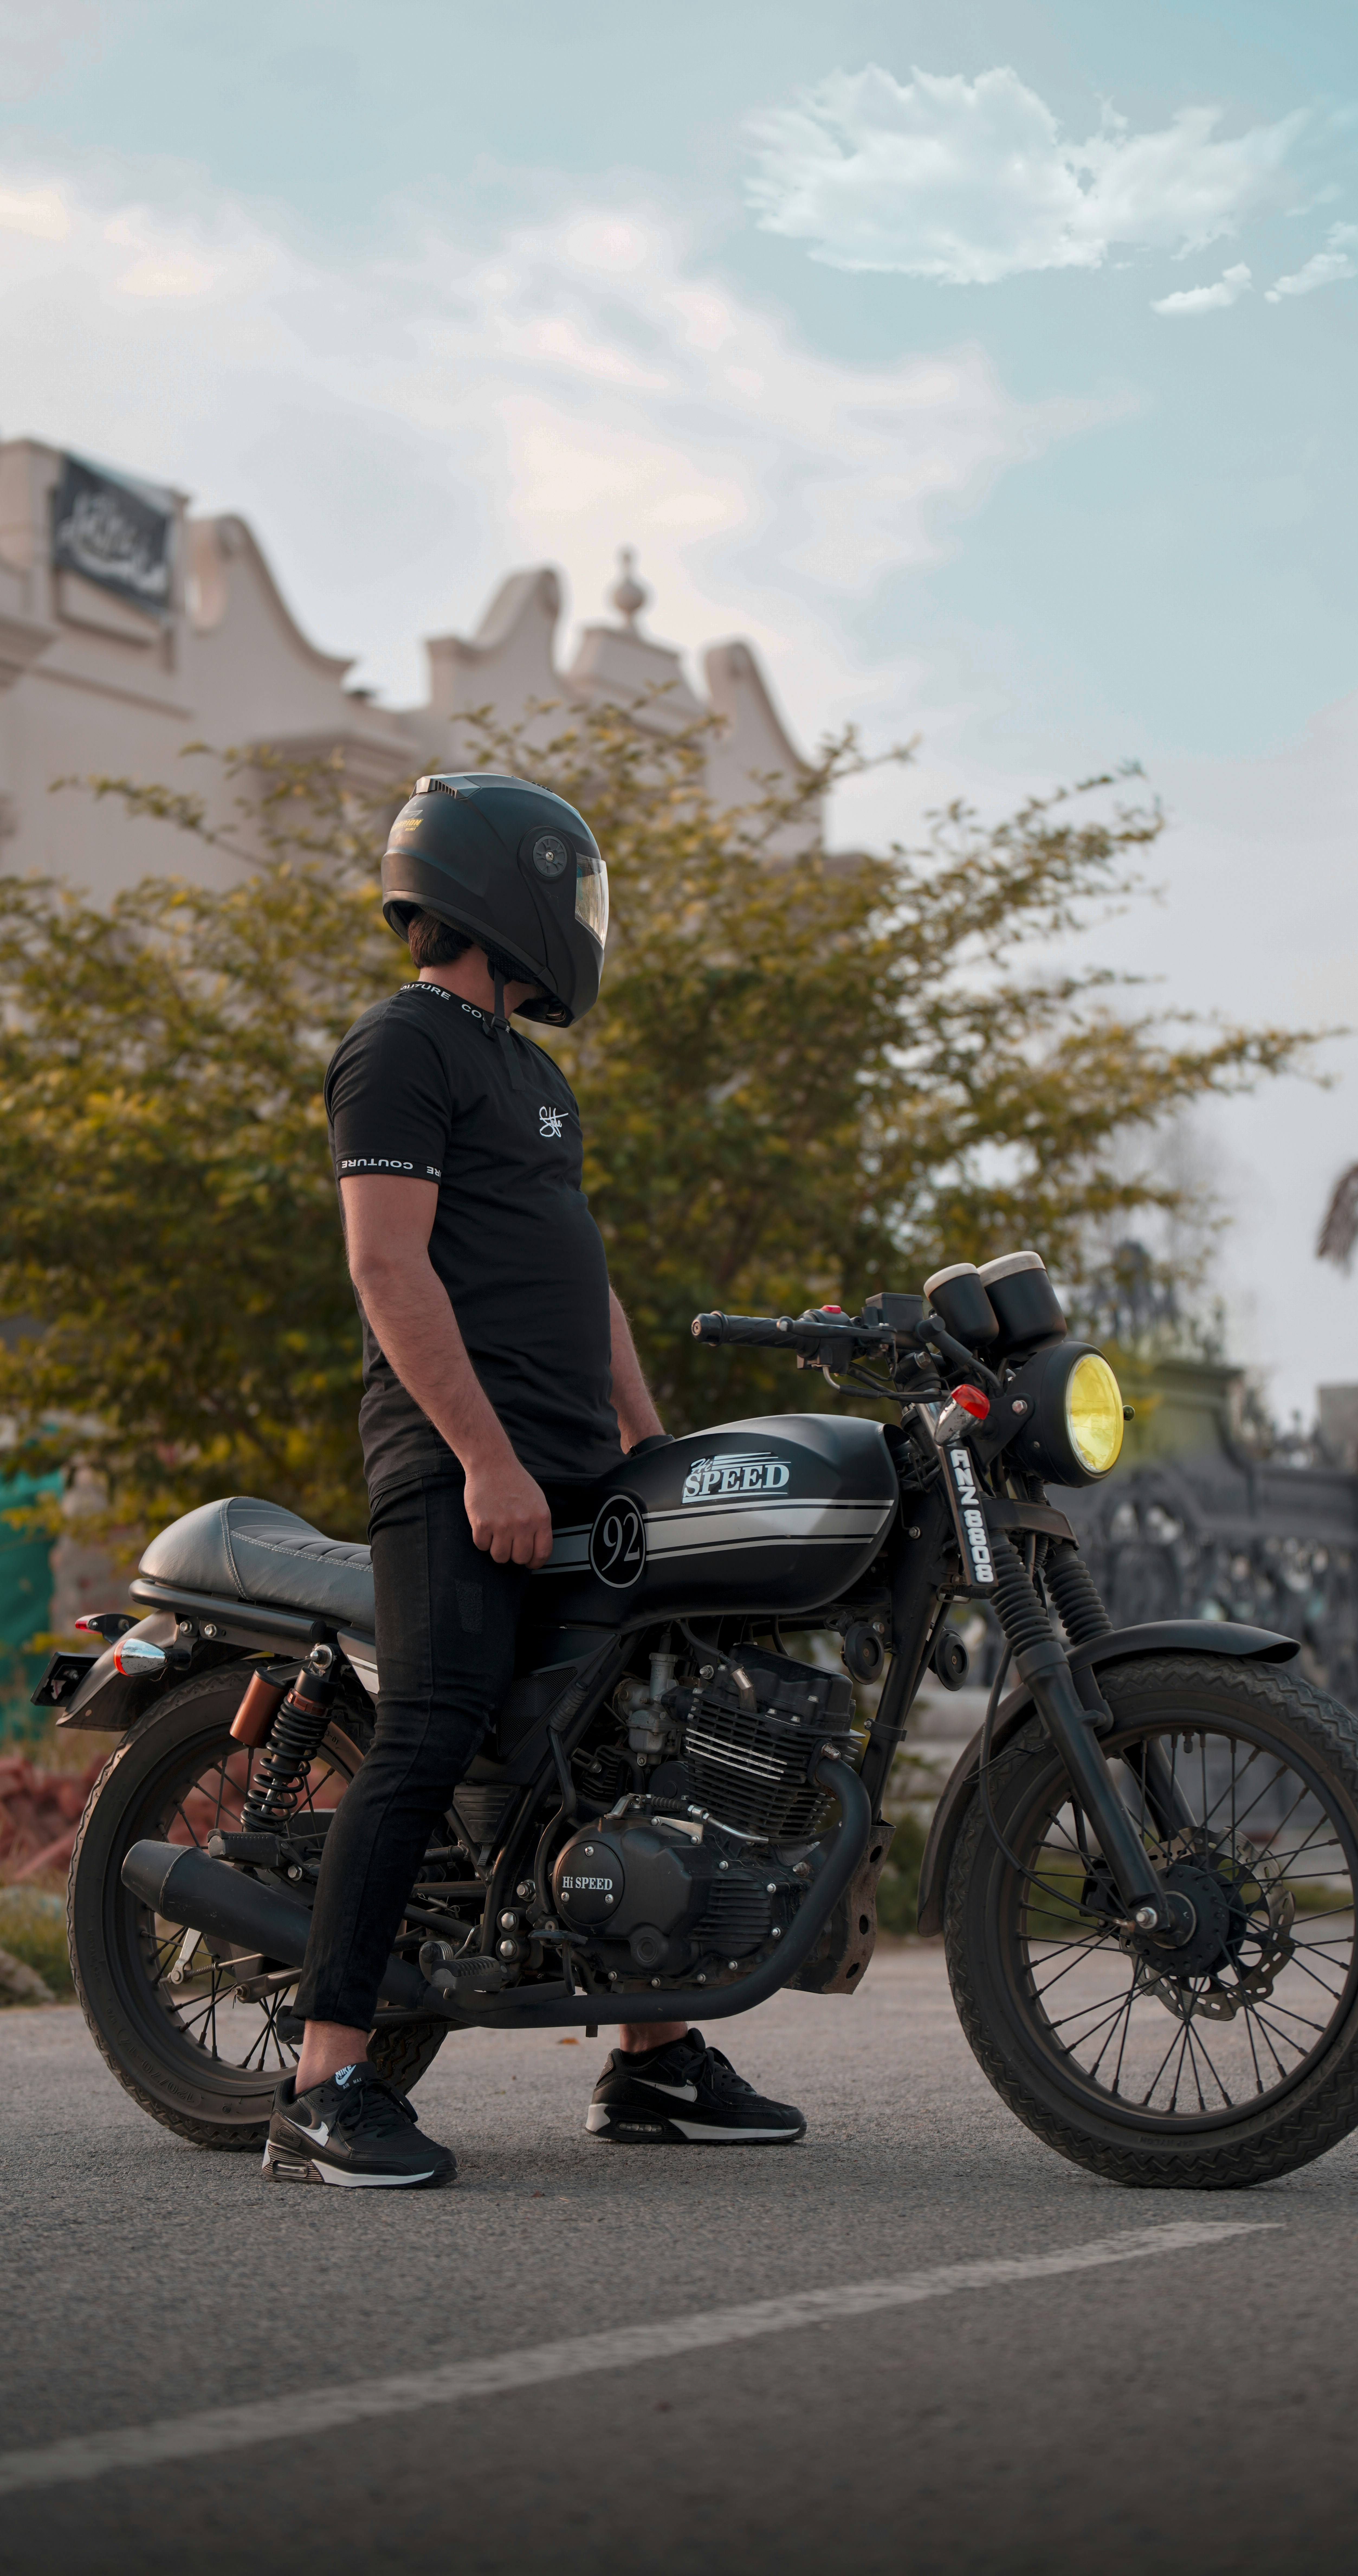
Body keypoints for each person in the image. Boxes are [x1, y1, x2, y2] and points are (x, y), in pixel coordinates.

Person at [264, 769, 804, 2187]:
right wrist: (485, 1459)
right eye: (567, 891)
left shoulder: (533, 1073)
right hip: (459, 1473)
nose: (581, 921)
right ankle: (326, 2078)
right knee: (433, 1725)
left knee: (615, 1745)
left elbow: (587, 1280)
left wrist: (647, 1438)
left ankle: (650, 2059)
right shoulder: (397, 1048)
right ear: (497, 892)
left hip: (577, 1471)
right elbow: (386, 1265)